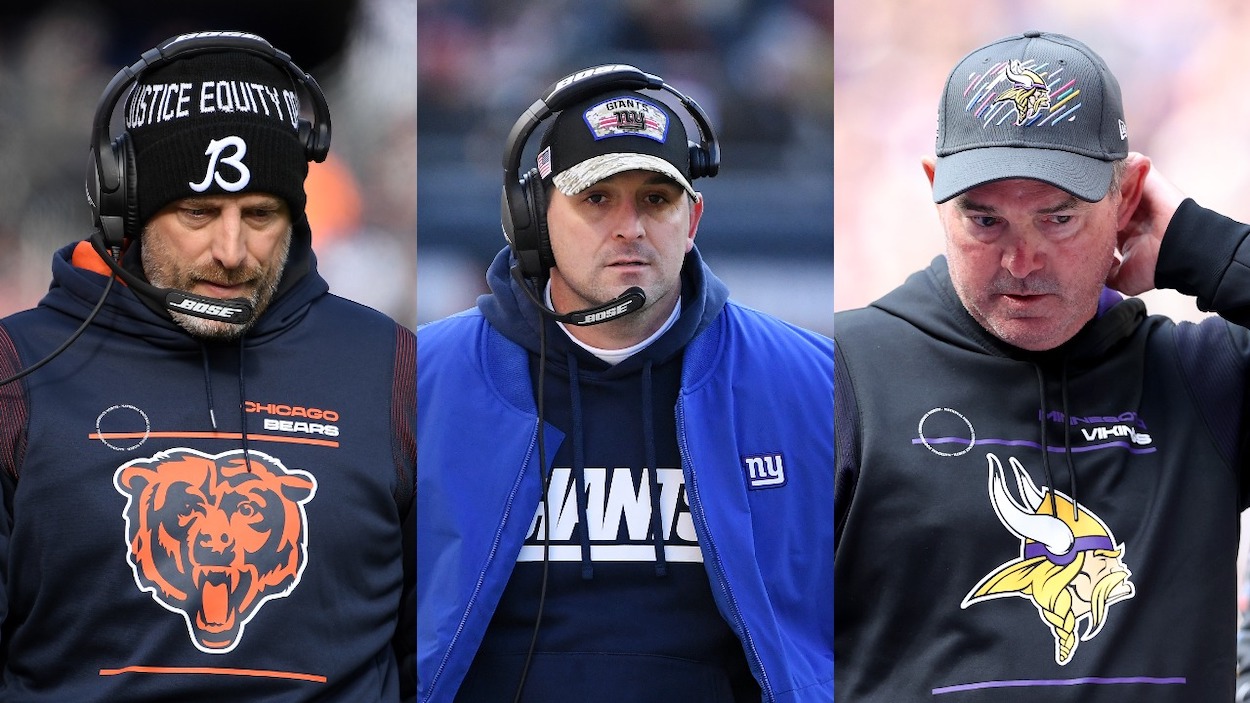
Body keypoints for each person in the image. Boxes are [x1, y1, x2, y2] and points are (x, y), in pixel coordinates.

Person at [834, 29, 1250, 701]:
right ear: (936, 192)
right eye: (985, 220)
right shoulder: (845, 373)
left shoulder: (1202, 379)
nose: (1022, 264)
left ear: (1127, 196)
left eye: (1058, 218)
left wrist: (1202, 247)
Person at [0, 32, 415, 702]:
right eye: (198, 212)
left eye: (260, 215)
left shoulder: (394, 370)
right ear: (125, 209)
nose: (232, 250)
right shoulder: (15, 373)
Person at [416, 65, 834, 702]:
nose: (630, 228)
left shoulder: (816, 386)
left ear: (692, 220)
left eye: (656, 200)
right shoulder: (415, 382)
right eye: (596, 198)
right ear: (531, 217)